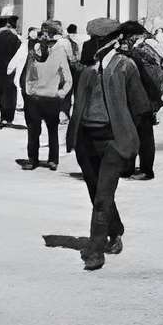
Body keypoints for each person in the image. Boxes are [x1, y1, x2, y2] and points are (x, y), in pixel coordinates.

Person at [69, 17, 140, 271]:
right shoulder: (88, 69)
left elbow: (140, 107)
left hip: (113, 141)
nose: (91, 44)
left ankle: (96, 251)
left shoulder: (126, 67)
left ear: (110, 41)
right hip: (86, 141)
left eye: (96, 40)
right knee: (96, 193)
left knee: (101, 198)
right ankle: (116, 230)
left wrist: (133, 146)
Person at [18, 22, 72, 170]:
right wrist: (29, 91)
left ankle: (53, 160)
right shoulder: (35, 51)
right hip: (34, 98)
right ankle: (32, 159)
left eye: (47, 32)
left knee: (52, 130)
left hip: (51, 98)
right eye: (42, 32)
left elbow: (68, 78)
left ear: (54, 35)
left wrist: (60, 93)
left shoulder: (60, 52)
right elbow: (29, 74)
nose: (43, 35)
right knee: (33, 131)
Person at [122, 20, 163, 182]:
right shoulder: (149, 47)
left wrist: (154, 99)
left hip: (144, 97)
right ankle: (134, 167)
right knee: (140, 133)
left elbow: (151, 77)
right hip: (147, 97)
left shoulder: (142, 51)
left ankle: (146, 170)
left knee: (143, 135)